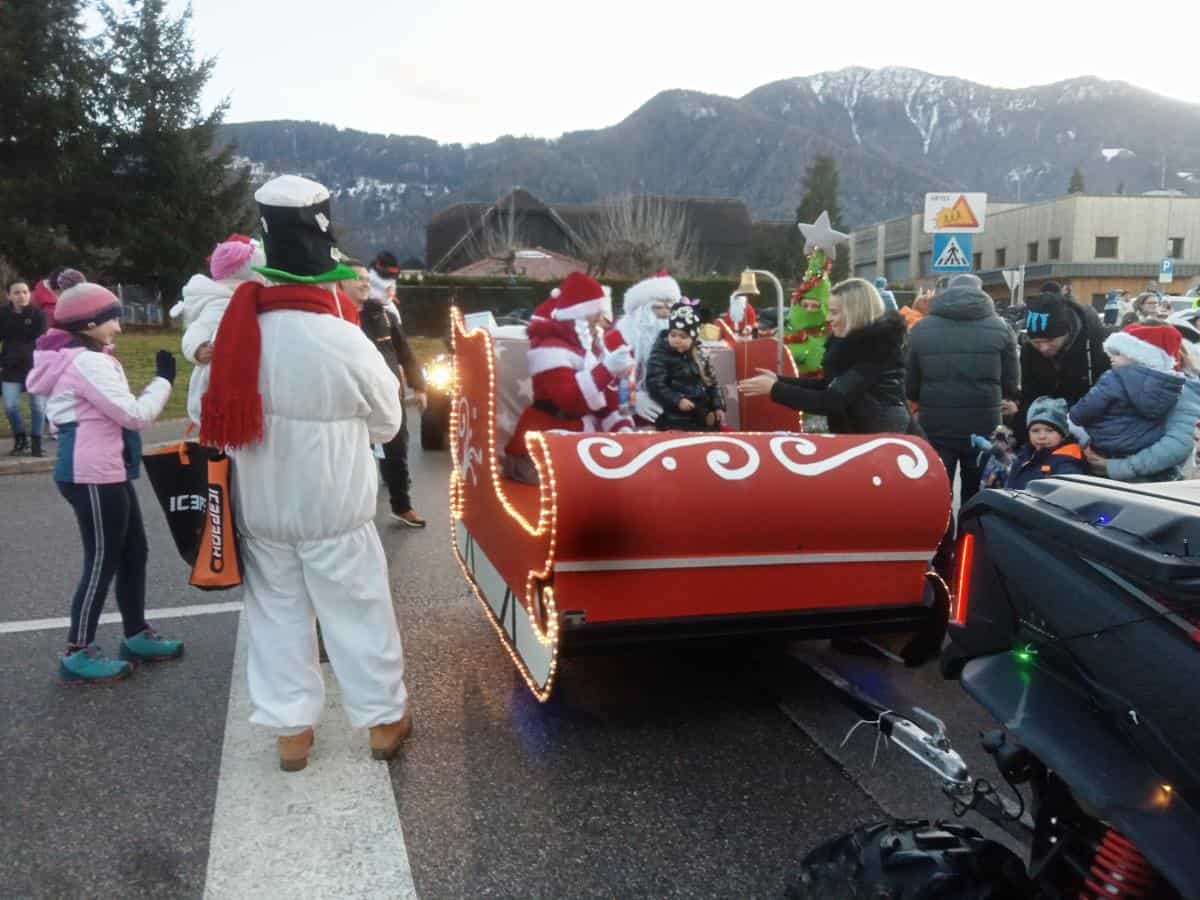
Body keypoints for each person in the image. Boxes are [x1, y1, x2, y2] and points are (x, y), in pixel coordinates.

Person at [199, 174, 411, 772]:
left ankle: (291, 731)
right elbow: (388, 421)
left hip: (262, 507)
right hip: (333, 507)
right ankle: (382, 720)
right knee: (358, 612)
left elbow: (201, 412)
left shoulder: (236, 335)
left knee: (276, 618)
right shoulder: (343, 338)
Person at [25, 284, 182, 682]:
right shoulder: (86, 364)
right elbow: (134, 415)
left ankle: (135, 633)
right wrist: (163, 381)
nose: (119, 327)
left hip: (105, 469)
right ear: (90, 323)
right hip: (91, 473)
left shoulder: (89, 357)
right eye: (113, 317)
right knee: (103, 559)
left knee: (133, 553)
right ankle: (77, 652)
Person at [739, 278, 917, 435]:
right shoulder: (856, 346)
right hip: (866, 436)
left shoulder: (875, 351)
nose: (828, 318)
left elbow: (832, 400)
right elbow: (828, 385)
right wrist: (778, 381)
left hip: (883, 443)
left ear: (854, 313)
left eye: (834, 312)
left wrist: (775, 389)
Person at [504, 272, 635, 483]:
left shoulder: (589, 350)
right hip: (537, 451)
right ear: (579, 316)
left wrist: (625, 433)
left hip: (574, 446)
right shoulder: (550, 349)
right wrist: (607, 369)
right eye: (595, 314)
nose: (600, 321)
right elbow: (571, 401)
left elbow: (607, 402)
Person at [906, 273, 1019, 507]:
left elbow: (910, 383)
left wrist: (919, 403)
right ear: (982, 292)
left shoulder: (921, 328)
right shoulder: (1001, 327)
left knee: (937, 491)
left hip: (935, 423)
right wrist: (1008, 399)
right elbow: (1011, 380)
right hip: (985, 424)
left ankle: (941, 541)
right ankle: (971, 540)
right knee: (977, 490)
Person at [352, 256, 428, 527]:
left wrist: (419, 386)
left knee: (397, 449)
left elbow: (405, 351)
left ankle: (402, 505)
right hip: (354, 399)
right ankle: (355, 514)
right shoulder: (334, 317)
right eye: (357, 279)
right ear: (339, 282)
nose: (363, 284)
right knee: (356, 456)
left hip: (389, 395)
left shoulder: (383, 313)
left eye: (365, 279)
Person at [178, 235, 267, 424]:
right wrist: (198, 348)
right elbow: (197, 329)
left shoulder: (242, 298)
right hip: (217, 379)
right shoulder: (222, 302)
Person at [1069, 324, 1184, 460]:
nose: (1111, 357)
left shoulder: (1115, 378)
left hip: (1105, 443)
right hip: (1143, 448)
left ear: (1138, 356)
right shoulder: (1168, 384)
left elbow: (1084, 411)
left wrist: (1072, 416)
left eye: (1118, 353)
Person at [1016, 281, 1110, 440]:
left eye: (1051, 340)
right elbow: (1029, 394)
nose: (1044, 348)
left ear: (1067, 332)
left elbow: (1104, 394)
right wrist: (1017, 434)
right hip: (1046, 428)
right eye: (1037, 342)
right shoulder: (1029, 349)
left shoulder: (1093, 343)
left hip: (1088, 427)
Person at [603, 271, 680, 424]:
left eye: (669, 308)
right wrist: (632, 398)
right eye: (658, 308)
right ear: (640, 311)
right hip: (623, 422)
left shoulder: (679, 342)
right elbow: (600, 387)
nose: (665, 313)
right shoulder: (615, 340)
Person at [645, 302, 725, 432]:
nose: (677, 340)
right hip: (675, 420)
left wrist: (718, 406)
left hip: (702, 418)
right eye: (673, 335)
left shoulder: (700, 354)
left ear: (693, 338)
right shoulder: (660, 355)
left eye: (683, 336)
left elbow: (712, 383)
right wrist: (677, 400)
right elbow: (655, 384)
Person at [1, 279, 48, 456]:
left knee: (38, 405)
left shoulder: (38, 315)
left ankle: (37, 442)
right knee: (10, 406)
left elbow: (40, 341)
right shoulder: (3, 314)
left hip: (35, 367)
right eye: (17, 292)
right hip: (10, 368)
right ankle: (21, 440)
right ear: (9, 296)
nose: (22, 296)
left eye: (25, 292)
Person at [1005, 397, 1088, 490]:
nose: (1042, 436)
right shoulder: (1024, 455)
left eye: (1049, 430)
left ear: (1063, 434)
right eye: (1035, 431)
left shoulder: (1068, 462)